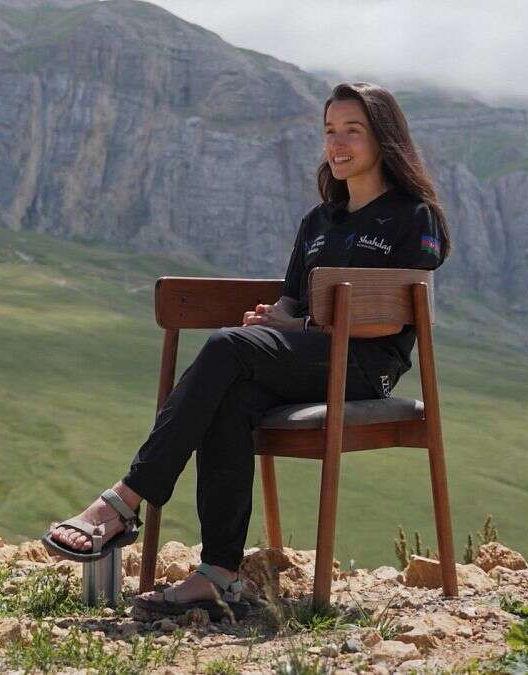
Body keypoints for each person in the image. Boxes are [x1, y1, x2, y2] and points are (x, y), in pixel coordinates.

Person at [41, 82, 453, 619]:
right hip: (309, 354)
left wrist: (300, 322)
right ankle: (217, 575)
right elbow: (291, 303)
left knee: (227, 350)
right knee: (229, 395)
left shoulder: (413, 216)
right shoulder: (318, 222)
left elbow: (393, 316)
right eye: (330, 131)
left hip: (365, 366)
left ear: (384, 139)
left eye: (353, 130)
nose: (338, 143)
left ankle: (124, 501)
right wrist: (277, 319)